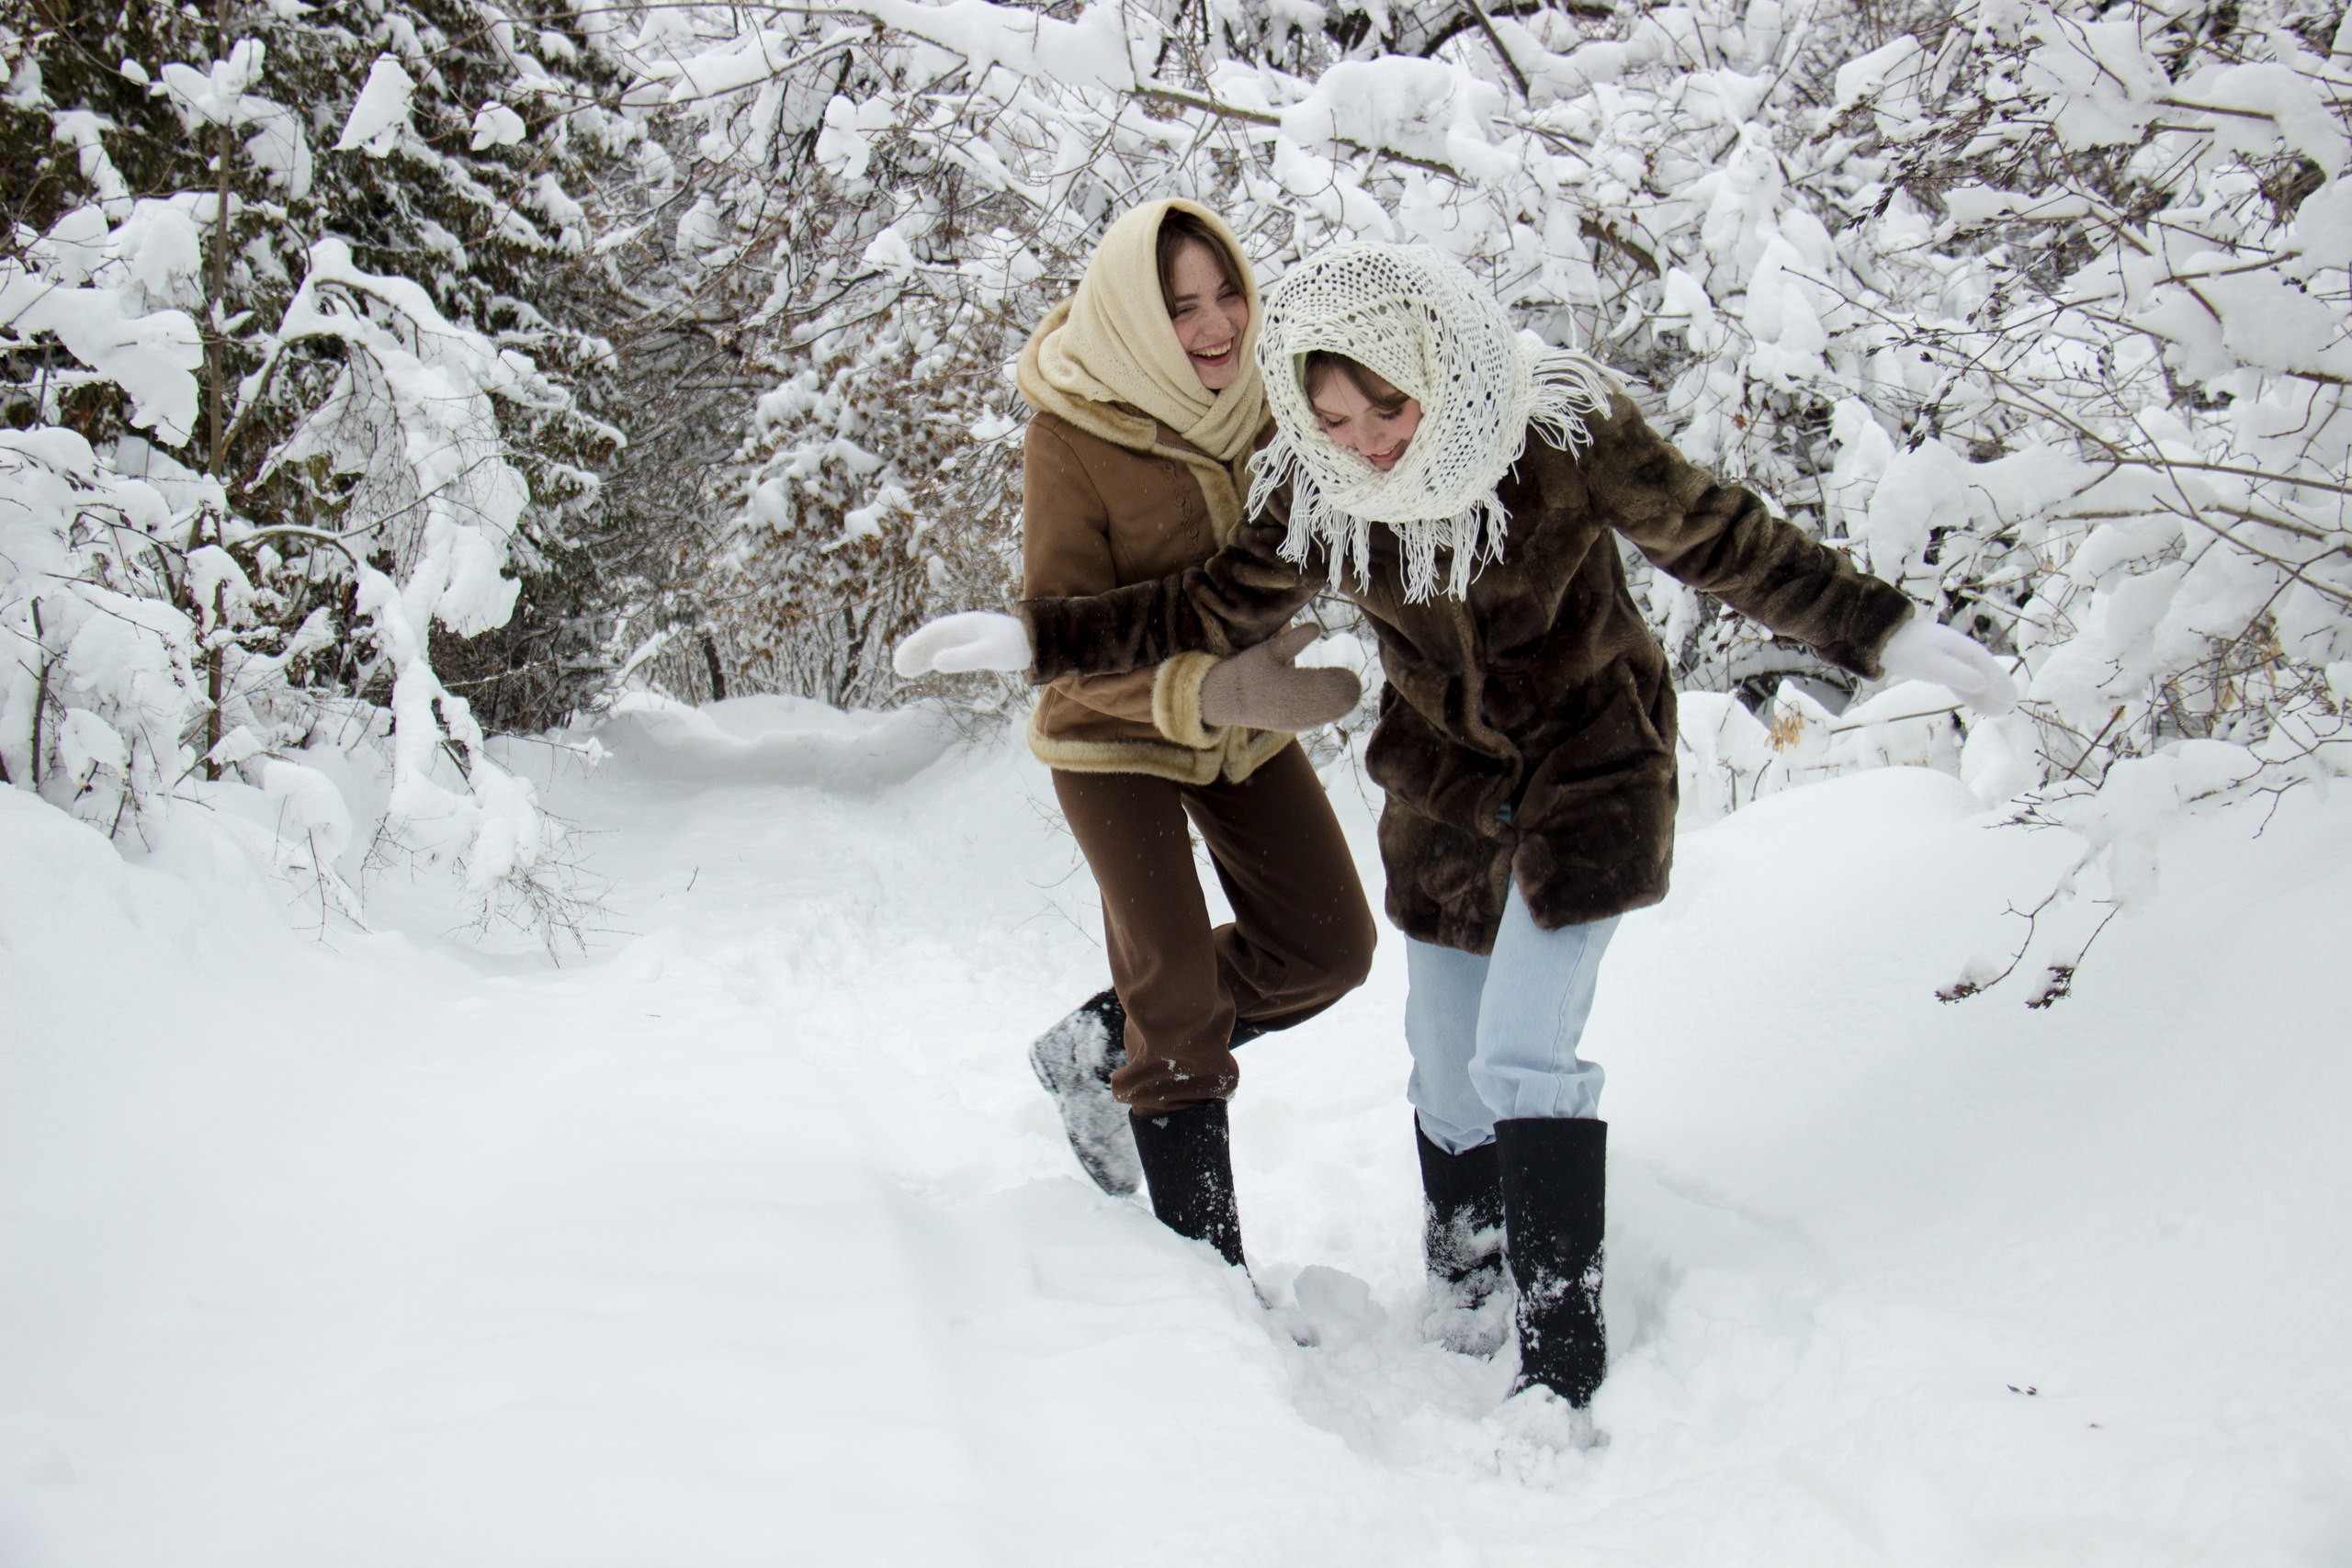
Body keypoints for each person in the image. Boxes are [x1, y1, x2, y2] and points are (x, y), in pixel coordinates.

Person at [898, 242, 2017, 1410]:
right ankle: (1472, 1271)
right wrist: (1042, 638)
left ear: (1436, 359)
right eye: (1333, 419)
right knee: (1446, 1061)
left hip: (1593, 776)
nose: (1370, 440)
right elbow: (1202, 605)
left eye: (1387, 402)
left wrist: (1879, 631)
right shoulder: (1321, 488)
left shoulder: (1558, 435)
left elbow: (1720, 536)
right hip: (1443, 789)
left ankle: (1561, 1357)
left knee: (1522, 1051)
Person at [907, 200, 1376, 1269]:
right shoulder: (1071, 431)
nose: (1217, 326)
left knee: (1328, 945)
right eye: (1181, 308)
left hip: (1243, 720)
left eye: (1228, 294)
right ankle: (1206, 1285)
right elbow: (1075, 645)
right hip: (1113, 734)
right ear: (1131, 316)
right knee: (1178, 1001)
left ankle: (1095, 1043)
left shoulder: (1272, 400)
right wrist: (1202, 693)